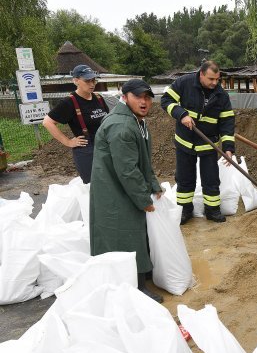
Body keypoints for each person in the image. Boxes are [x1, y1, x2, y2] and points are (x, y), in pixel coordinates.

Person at [89, 80, 163, 303]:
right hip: (114, 190)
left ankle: (142, 275)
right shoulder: (122, 126)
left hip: (121, 186)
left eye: (148, 97)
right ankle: (137, 286)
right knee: (127, 234)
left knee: (134, 232)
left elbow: (142, 160)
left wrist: (154, 185)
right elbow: (128, 170)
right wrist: (143, 199)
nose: (144, 102)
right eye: (139, 97)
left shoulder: (135, 121)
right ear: (125, 96)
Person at [161, 60, 235, 224]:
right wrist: (181, 114)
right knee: (185, 178)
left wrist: (228, 147)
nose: (214, 83)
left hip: (208, 142)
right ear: (201, 74)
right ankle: (185, 209)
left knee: (211, 178)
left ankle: (212, 210)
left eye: (217, 79)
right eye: (211, 79)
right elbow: (166, 101)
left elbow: (227, 122)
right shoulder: (184, 83)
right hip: (185, 141)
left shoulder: (221, 94)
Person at [42, 65, 109, 183]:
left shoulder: (98, 98)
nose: (92, 84)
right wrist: (68, 142)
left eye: (93, 80)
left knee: (110, 183)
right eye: (87, 81)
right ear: (76, 81)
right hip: (87, 151)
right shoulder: (69, 102)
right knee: (93, 186)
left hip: (105, 146)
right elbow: (47, 122)